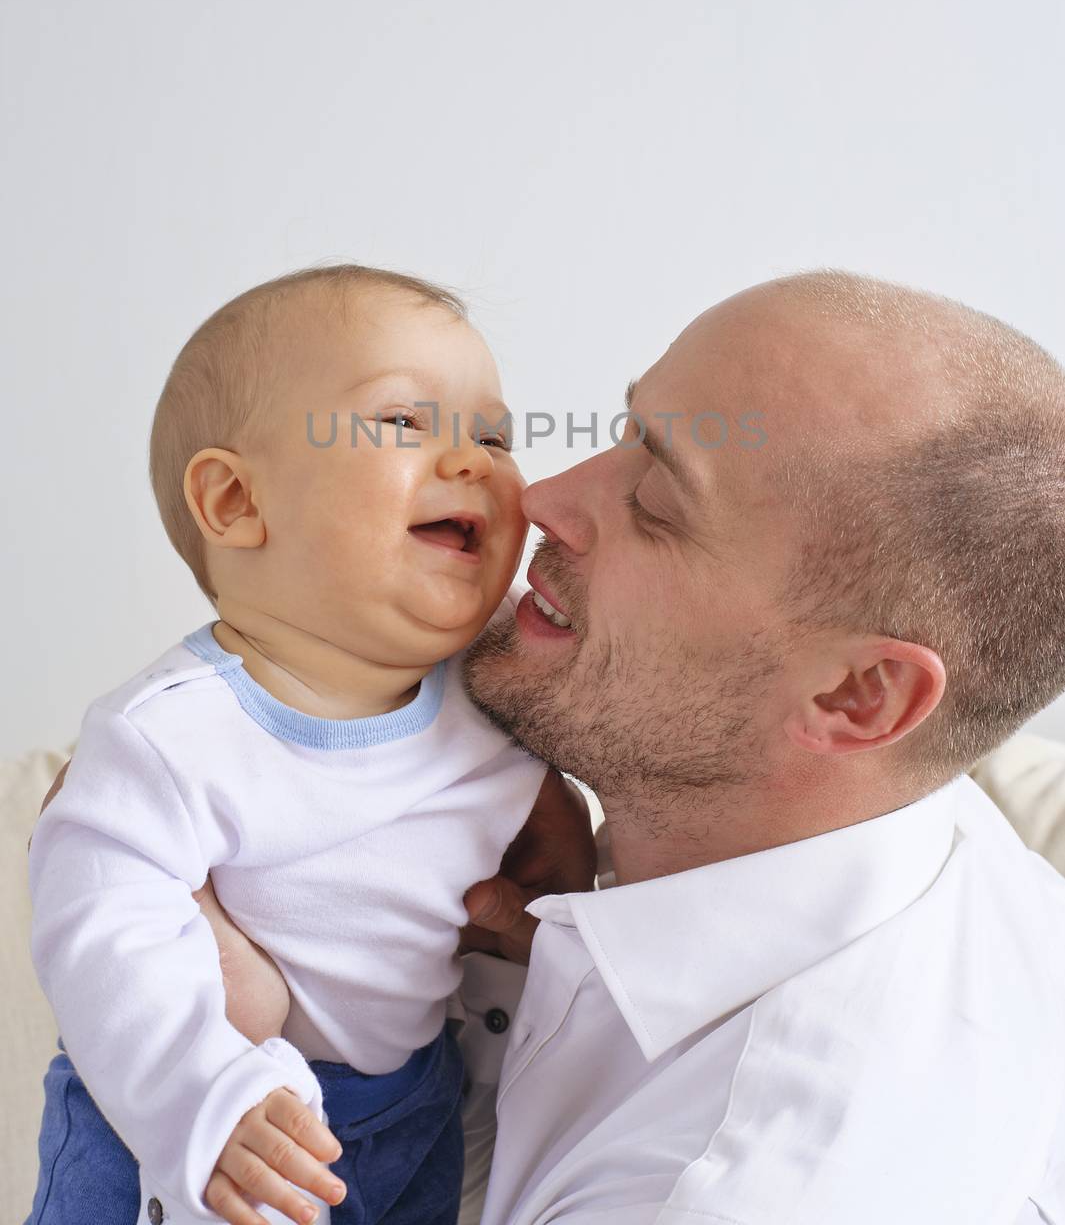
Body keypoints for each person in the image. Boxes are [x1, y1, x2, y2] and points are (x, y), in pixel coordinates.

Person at [181, 270, 1065, 1225]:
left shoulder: (729, 1190)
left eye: (654, 501)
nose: (541, 498)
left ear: (857, 695)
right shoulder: (894, 823)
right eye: (624, 431)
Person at [25, 263, 596, 1225]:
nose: (475, 463)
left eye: (493, 436)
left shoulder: (495, 682)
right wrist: (203, 1097)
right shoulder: (170, 732)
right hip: (188, 1117)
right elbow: (101, 936)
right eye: (405, 424)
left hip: (415, 1103)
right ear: (238, 504)